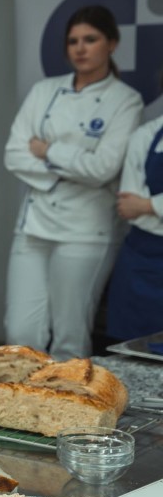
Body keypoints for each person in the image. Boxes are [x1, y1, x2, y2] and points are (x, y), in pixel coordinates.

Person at [3, 5, 143, 359]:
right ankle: (24, 394)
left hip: (86, 230)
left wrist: (47, 150)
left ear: (112, 43)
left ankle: (69, 396)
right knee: (20, 333)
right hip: (34, 226)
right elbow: (14, 155)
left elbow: (103, 168)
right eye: (73, 41)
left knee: (69, 336)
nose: (80, 48)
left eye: (90, 39)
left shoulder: (125, 100)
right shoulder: (43, 91)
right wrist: (70, 169)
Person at [106, 102, 163, 341]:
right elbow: (129, 203)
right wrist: (145, 208)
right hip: (142, 254)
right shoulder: (146, 134)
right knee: (129, 344)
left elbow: (139, 205)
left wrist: (148, 205)